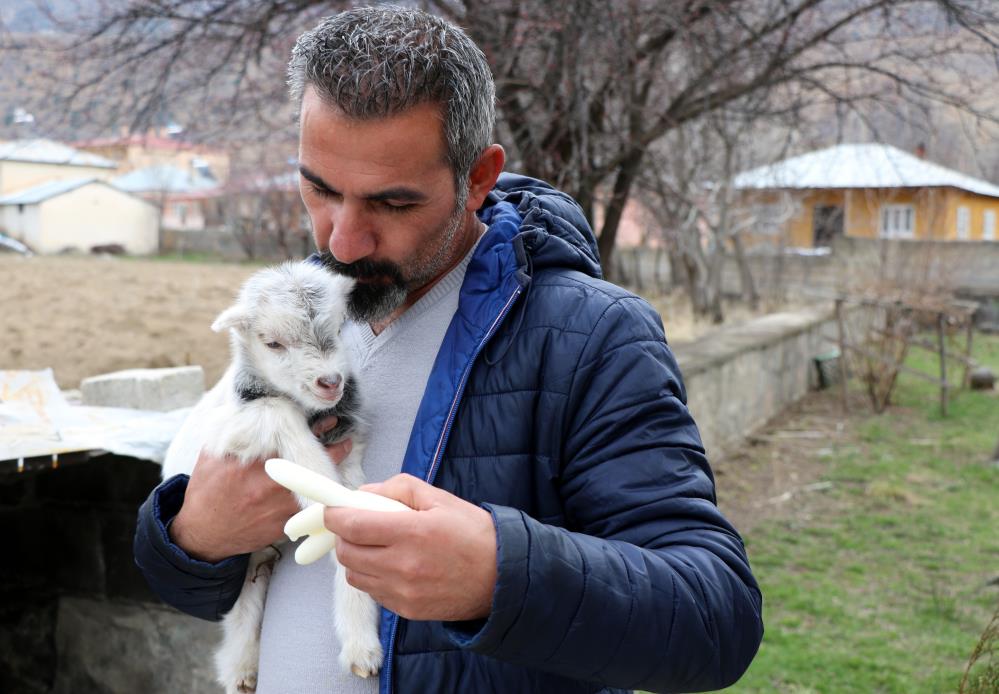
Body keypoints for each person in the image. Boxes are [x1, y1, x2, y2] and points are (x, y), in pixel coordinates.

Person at [133, 6, 763, 693]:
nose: (343, 242)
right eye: (319, 189)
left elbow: (715, 621)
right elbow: (188, 580)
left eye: (392, 204)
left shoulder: (591, 339)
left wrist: (499, 575)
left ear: (479, 177)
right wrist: (194, 535)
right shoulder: (292, 311)